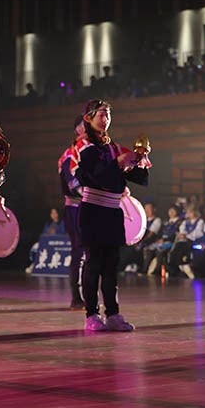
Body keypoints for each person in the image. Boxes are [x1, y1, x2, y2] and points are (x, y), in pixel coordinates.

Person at [71, 99, 150, 331]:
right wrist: (118, 163)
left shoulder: (113, 147)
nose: (105, 119)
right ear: (88, 118)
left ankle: (113, 313)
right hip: (93, 210)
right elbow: (95, 177)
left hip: (113, 211)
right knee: (94, 263)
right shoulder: (83, 146)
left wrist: (139, 162)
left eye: (108, 115)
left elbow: (138, 179)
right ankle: (91, 315)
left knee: (111, 265)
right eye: (101, 115)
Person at [58, 115, 86, 309]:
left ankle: (86, 296)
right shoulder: (71, 153)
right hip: (76, 208)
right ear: (78, 129)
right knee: (79, 252)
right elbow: (73, 183)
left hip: (88, 207)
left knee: (89, 253)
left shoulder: (91, 150)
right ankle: (77, 297)